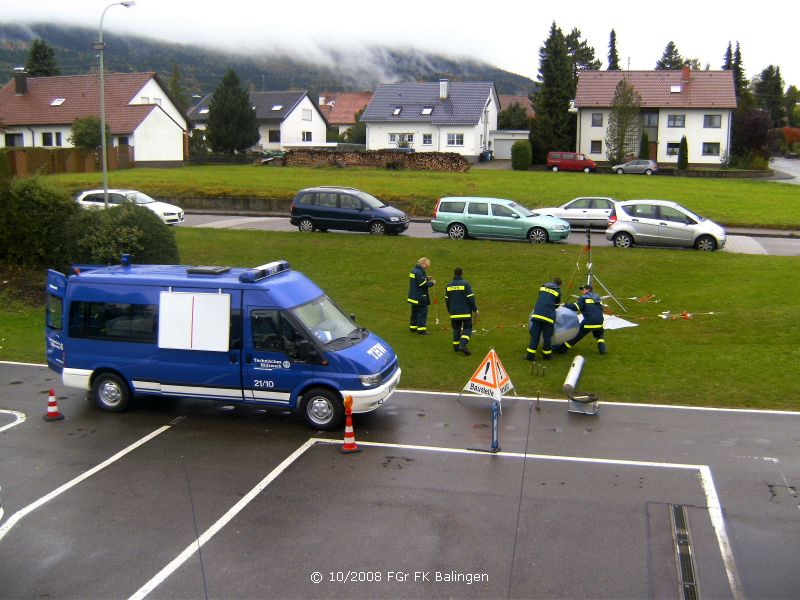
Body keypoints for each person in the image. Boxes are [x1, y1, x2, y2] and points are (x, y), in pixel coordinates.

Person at [560, 283, 607, 354]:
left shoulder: (583, 298)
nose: (582, 291)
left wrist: (565, 305)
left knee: (576, 336)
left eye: (583, 289)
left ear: (588, 290)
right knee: (599, 336)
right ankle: (603, 350)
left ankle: (562, 349)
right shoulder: (597, 298)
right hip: (599, 322)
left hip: (588, 323)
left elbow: (576, 307)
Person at [525, 277, 562, 361]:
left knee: (535, 336)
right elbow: (556, 305)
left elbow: (542, 297)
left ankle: (530, 356)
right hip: (548, 317)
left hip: (537, 315)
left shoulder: (543, 287)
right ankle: (546, 356)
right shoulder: (558, 291)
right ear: (559, 284)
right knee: (547, 337)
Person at [444, 267, 478, 355]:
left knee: (456, 329)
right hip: (465, 312)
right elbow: (471, 298)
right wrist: (475, 309)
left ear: (454, 274)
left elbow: (447, 299)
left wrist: (449, 310)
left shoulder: (449, 286)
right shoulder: (465, 284)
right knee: (467, 328)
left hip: (454, 313)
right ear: (462, 273)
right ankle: (463, 345)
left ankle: (456, 347)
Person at [407, 257, 435, 334]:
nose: (427, 267)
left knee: (414, 312)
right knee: (423, 313)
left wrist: (426, 278)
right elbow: (422, 284)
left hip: (413, 296)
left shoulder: (413, 270)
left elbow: (417, 281)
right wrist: (432, 283)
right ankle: (421, 330)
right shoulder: (419, 272)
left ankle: (413, 327)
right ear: (422, 263)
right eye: (426, 265)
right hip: (420, 297)